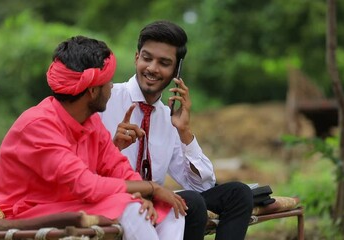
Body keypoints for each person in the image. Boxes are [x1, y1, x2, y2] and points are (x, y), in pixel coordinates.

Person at [0, 35, 187, 240]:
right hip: (27, 212)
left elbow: (117, 167)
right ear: (93, 91)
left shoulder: (90, 121)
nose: (111, 87)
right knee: (132, 209)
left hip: (75, 203)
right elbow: (87, 186)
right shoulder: (38, 125)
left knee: (171, 208)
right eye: (107, 82)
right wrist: (151, 187)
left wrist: (144, 194)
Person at [100, 21, 254, 240]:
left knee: (239, 193)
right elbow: (87, 171)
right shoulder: (106, 100)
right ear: (136, 58)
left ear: (176, 70)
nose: (152, 68)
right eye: (147, 58)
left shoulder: (167, 117)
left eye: (164, 63)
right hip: (119, 197)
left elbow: (203, 185)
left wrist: (184, 132)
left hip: (157, 198)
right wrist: (114, 147)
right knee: (192, 202)